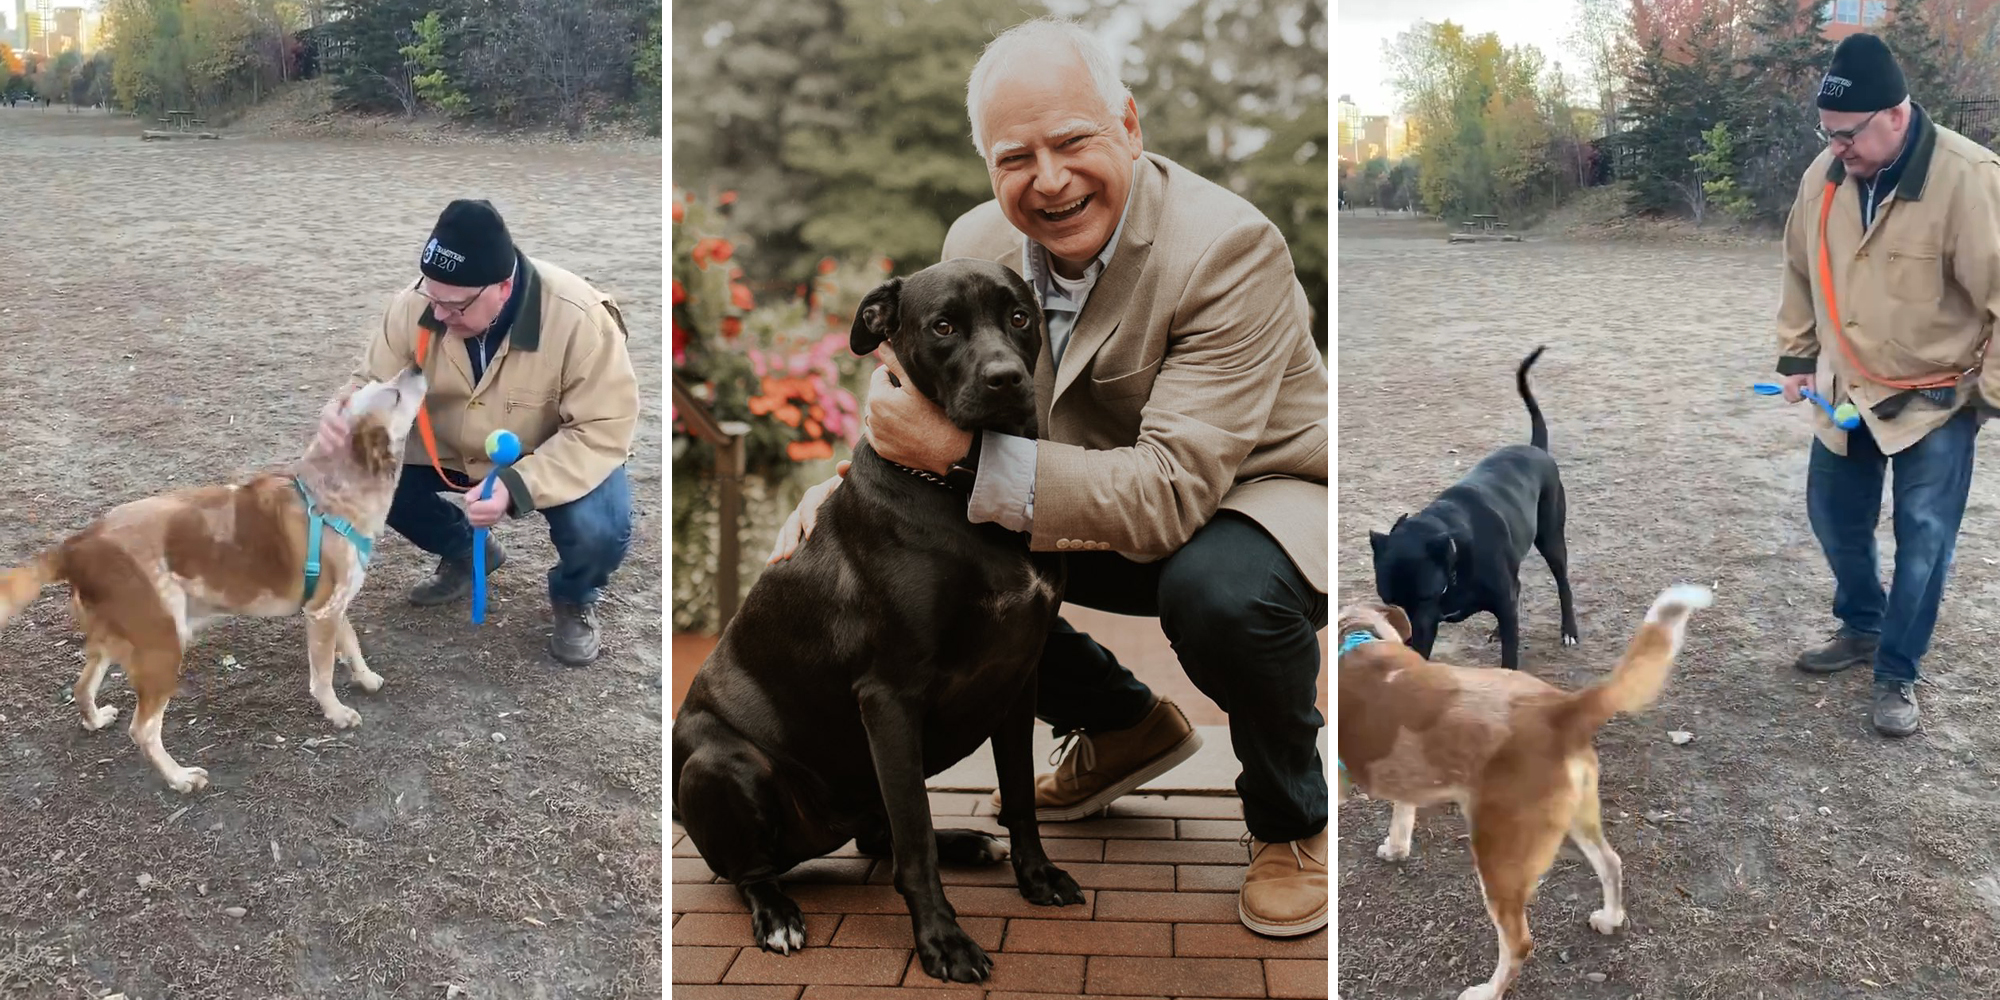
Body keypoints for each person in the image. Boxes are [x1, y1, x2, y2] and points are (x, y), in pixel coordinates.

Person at [769, 17, 1329, 936]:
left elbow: (1168, 494)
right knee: (930, 557)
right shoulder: (977, 238)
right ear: (989, 165)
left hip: (1248, 494)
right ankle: (1121, 723)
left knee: (1220, 593)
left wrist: (956, 459)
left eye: (1074, 141)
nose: (1051, 178)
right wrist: (846, 493)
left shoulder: (1231, 249)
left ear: (1130, 127)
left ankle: (1291, 817)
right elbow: (925, 414)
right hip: (1081, 481)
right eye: (1016, 155)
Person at [1772, 32, 2000, 736]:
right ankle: (1862, 624)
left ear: (1896, 115)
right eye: (1828, 132)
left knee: (1924, 542)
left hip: (1937, 401)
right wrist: (1797, 354)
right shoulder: (1826, 177)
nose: (1835, 146)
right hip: (1846, 391)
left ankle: (1897, 671)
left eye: (1846, 134)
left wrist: (1989, 393)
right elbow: (1800, 269)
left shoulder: (1970, 180)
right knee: (1833, 518)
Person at [318, 198, 640, 666]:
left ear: (504, 287)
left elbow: (601, 429)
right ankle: (468, 553)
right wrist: (343, 408)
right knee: (361, 471)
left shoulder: (579, 317)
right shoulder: (419, 304)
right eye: (432, 299)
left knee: (601, 527)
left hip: (545, 455)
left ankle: (574, 595)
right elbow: (371, 379)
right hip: (446, 452)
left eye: (456, 305)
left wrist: (516, 486)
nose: (440, 314)